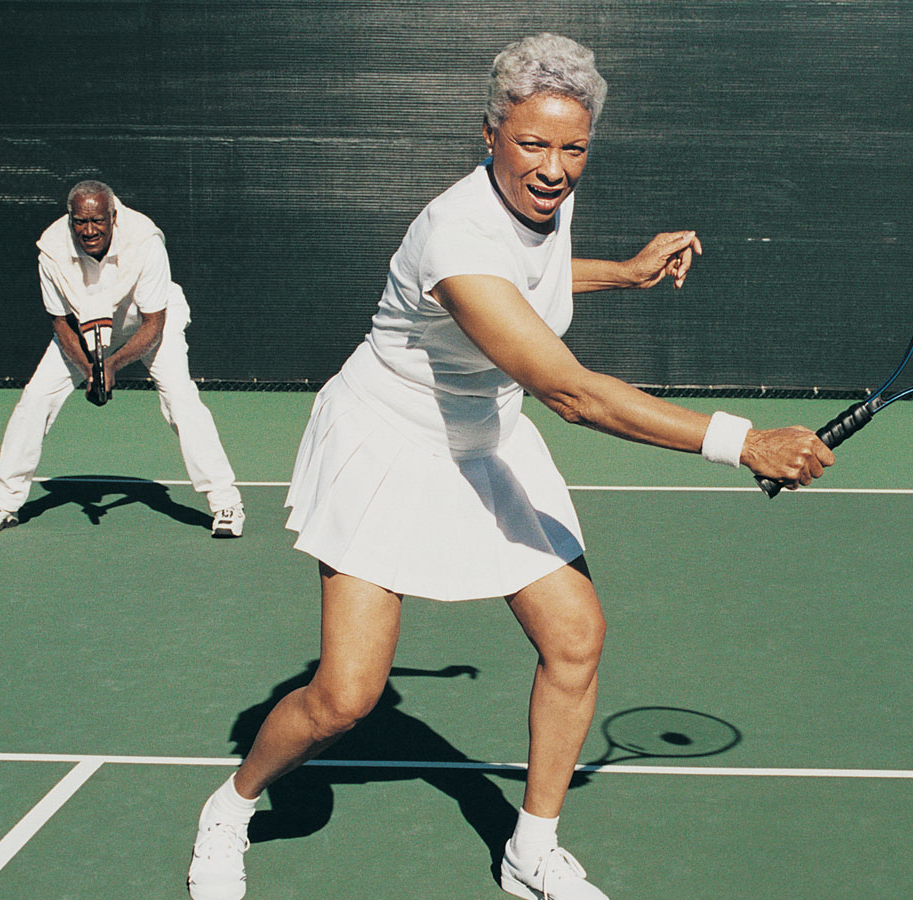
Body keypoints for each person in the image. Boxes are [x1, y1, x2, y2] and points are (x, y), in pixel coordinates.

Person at [187, 34, 832, 900]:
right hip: (391, 442)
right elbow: (572, 393)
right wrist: (743, 441)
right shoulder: (453, 232)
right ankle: (231, 806)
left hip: (485, 432)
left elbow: (533, 272)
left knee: (575, 638)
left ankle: (531, 850)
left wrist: (624, 273)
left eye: (574, 148)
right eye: (533, 144)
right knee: (345, 697)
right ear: (488, 134)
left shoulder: (543, 198)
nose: (555, 168)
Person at [0, 181, 246, 538]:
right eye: (80, 222)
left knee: (181, 398)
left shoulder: (145, 241)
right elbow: (60, 322)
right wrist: (89, 370)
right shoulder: (50, 249)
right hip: (82, 327)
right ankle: (2, 502)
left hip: (146, 321)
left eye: (97, 221)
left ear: (113, 216)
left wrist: (111, 365)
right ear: (70, 219)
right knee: (35, 399)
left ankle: (226, 503)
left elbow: (154, 324)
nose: (89, 230)